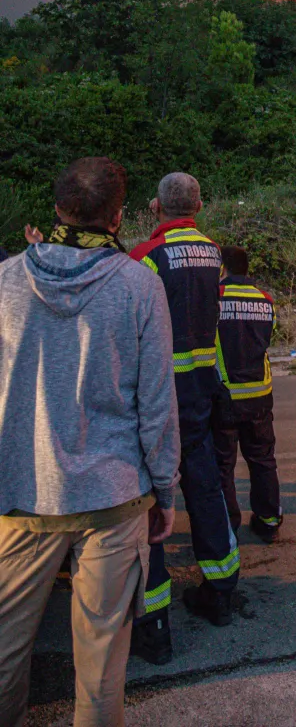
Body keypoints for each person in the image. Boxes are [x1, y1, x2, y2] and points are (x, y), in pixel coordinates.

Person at [0, 157, 179, 727]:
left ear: (57, 208)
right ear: (118, 215)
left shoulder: (4, 282)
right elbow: (156, 405)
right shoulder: (138, 286)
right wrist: (165, 491)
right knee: (101, 673)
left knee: (3, 658)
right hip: (114, 499)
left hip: (22, 501)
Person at [130, 173, 238, 665]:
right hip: (199, 388)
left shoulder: (146, 257)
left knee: (149, 498)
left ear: (157, 206)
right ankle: (220, 592)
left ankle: (154, 627)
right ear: (199, 204)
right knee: (204, 483)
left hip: (156, 392)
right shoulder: (214, 254)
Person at [212, 245, 281, 543]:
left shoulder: (215, 299)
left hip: (225, 396)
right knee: (263, 459)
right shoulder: (266, 300)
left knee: (223, 465)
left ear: (223, 268)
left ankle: (228, 525)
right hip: (259, 396)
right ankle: (268, 520)